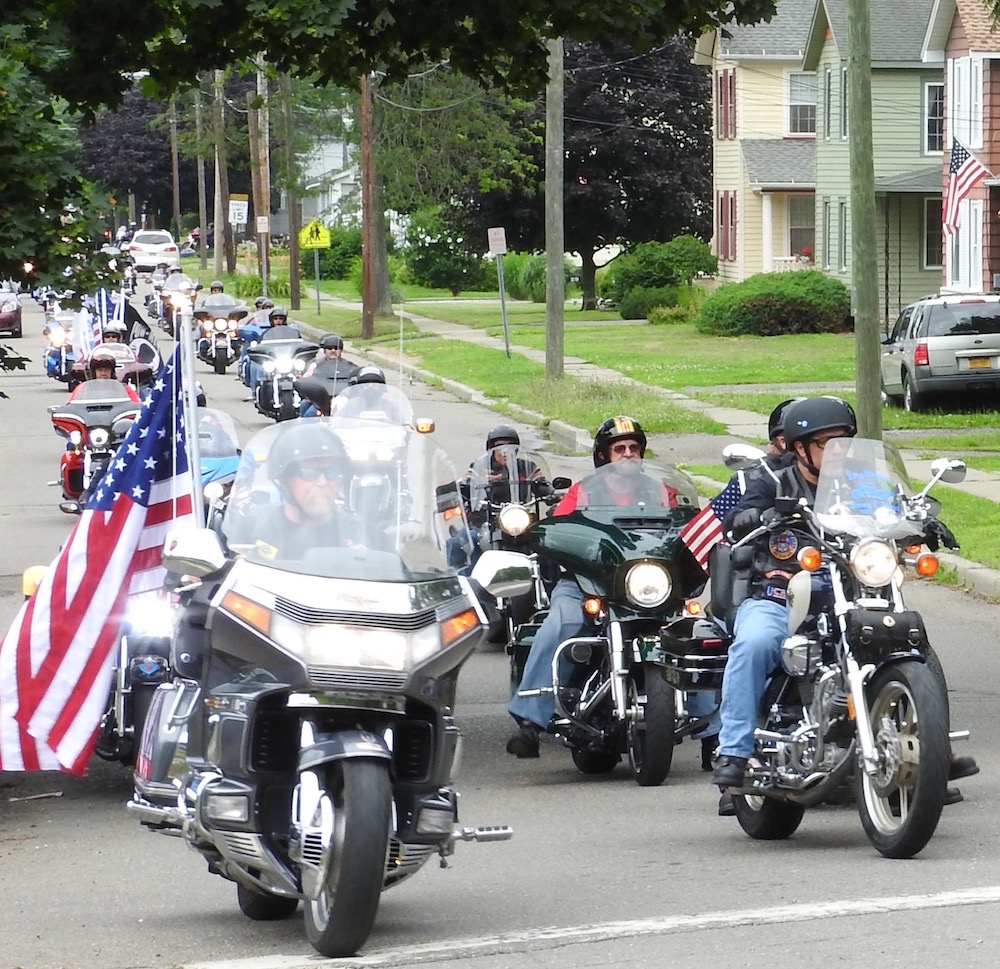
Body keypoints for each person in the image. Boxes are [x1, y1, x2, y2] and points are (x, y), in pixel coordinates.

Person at [710, 396, 976, 804]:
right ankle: (735, 752)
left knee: (915, 647)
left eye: (843, 441)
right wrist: (749, 516)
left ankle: (931, 749)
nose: (837, 451)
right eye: (825, 443)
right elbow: (742, 512)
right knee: (755, 643)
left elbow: (892, 509)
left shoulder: (860, 482)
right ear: (800, 448)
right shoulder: (772, 478)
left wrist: (919, 523)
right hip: (782, 595)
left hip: (852, 593)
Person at [506, 415, 679, 758]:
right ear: (604, 456)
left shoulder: (661, 490)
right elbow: (557, 528)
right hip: (585, 583)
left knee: (689, 630)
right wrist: (543, 534)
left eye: (634, 448)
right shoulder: (583, 491)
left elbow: (685, 525)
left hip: (646, 585)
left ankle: (713, 730)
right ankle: (530, 720)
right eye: (620, 449)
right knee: (565, 622)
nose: (628, 455)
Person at [251, 423, 369, 560]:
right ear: (283, 480)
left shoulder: (364, 535)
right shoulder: (258, 533)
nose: (323, 482)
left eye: (331, 472)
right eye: (309, 473)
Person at [300, 333, 359, 417]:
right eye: (329, 348)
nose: (333, 351)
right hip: (322, 401)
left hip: (344, 399)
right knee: (307, 410)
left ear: (341, 350)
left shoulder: (351, 366)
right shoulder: (315, 365)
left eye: (336, 348)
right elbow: (306, 379)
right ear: (324, 350)